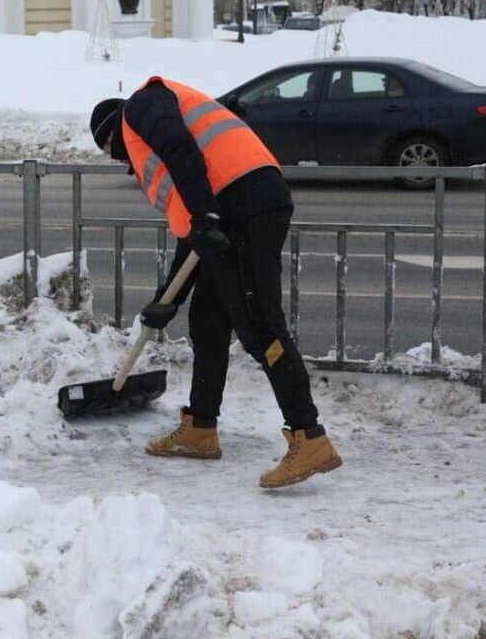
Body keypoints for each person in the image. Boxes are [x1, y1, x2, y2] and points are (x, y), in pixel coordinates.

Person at [89, 77, 342, 489]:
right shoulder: (162, 126)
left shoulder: (141, 106)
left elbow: (181, 150)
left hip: (243, 203)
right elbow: (193, 235)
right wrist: (167, 299)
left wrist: (207, 215)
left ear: (110, 134)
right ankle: (200, 428)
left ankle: (308, 435)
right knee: (207, 322)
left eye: (113, 155)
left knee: (260, 325)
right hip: (234, 202)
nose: (124, 163)